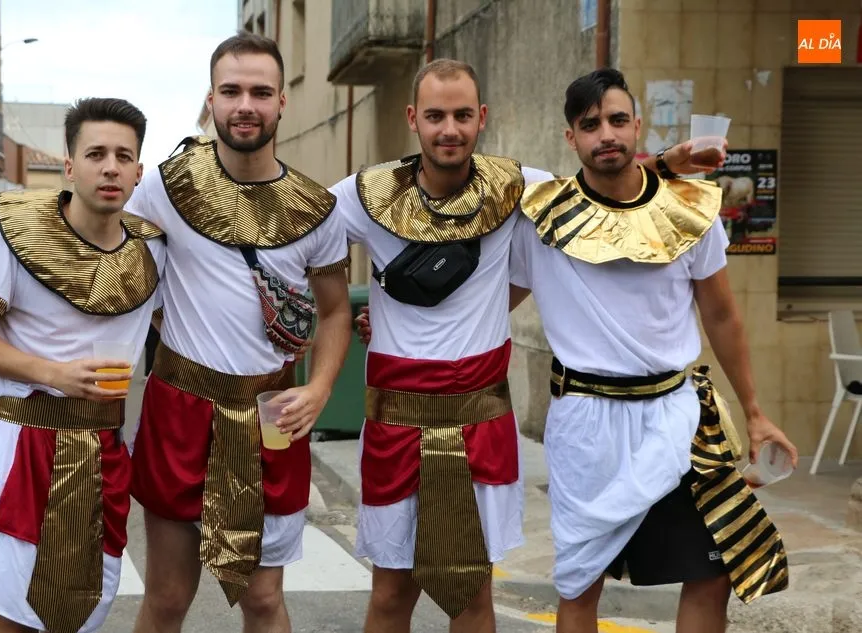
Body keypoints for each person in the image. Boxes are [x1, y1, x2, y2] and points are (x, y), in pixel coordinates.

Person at [330, 59, 707, 633]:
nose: (448, 129)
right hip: (394, 421)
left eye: (461, 115)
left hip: (481, 417)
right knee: (389, 595)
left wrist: (665, 164)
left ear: (481, 118)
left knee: (473, 594)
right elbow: (295, 229)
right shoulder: (368, 193)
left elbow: (598, 188)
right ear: (414, 119)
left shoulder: (517, 186)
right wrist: (330, 313)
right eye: (435, 116)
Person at [508, 68, 797, 633]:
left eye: (618, 120)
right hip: (586, 426)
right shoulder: (540, 219)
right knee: (578, 585)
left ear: (638, 125)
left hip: (675, 417)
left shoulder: (691, 210)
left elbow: (721, 315)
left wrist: (755, 411)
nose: (606, 134)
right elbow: (492, 302)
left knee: (712, 574)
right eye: (590, 125)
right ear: (571, 138)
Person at [126, 32, 352, 633]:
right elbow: (126, 279)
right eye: (231, 91)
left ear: (282, 103)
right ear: (211, 100)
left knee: (262, 600)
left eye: (259, 91)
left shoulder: (315, 208)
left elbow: (334, 314)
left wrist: (322, 390)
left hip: (272, 412)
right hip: (180, 406)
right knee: (168, 597)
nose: (244, 104)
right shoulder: (165, 187)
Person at [0, 98, 165, 633]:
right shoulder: (16, 236)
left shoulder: (155, 253)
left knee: (84, 610)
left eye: (123, 155)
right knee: (14, 614)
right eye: (95, 153)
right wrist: (52, 373)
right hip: (24, 444)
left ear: (138, 171)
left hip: (103, 453)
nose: (109, 166)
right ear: (69, 166)